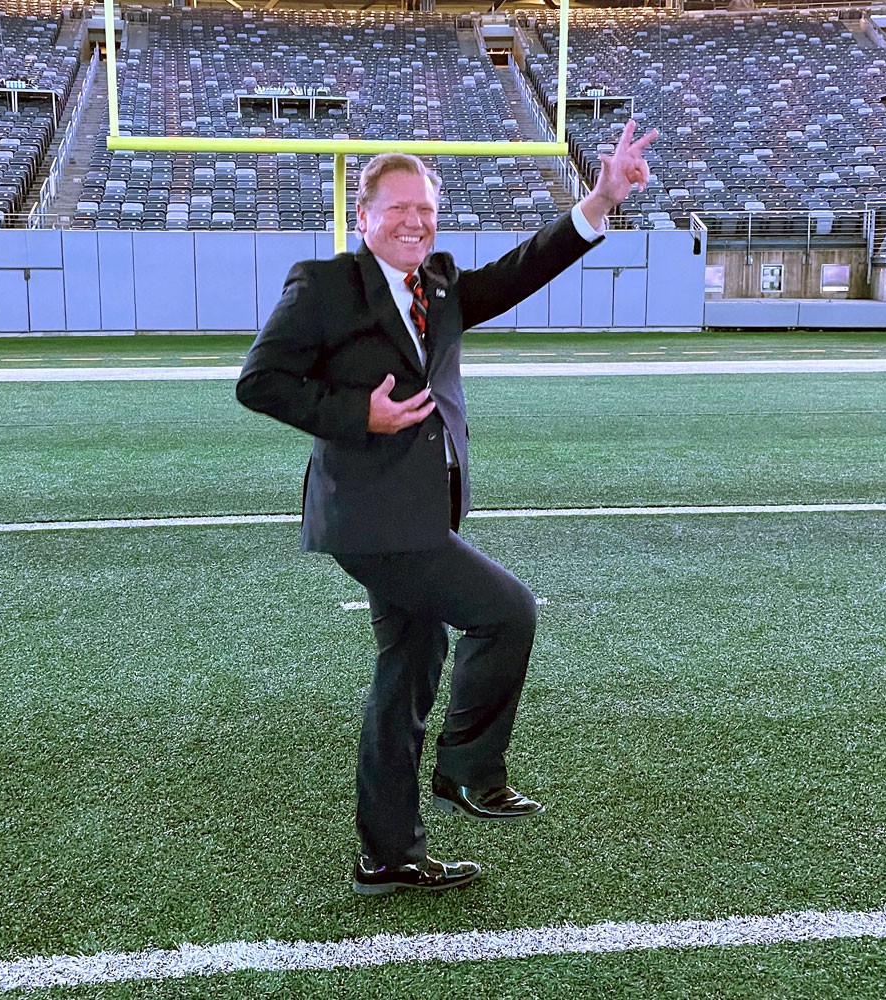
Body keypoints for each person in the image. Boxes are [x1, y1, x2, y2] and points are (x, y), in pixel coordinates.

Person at [237, 119, 658, 896]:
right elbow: (259, 382)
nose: (413, 221)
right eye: (396, 208)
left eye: (424, 208)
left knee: (407, 670)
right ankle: (468, 771)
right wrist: (356, 413)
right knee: (507, 611)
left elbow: (522, 270)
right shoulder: (325, 284)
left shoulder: (438, 286)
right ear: (362, 218)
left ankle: (387, 856)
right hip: (371, 518)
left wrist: (600, 199)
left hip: (422, 510)